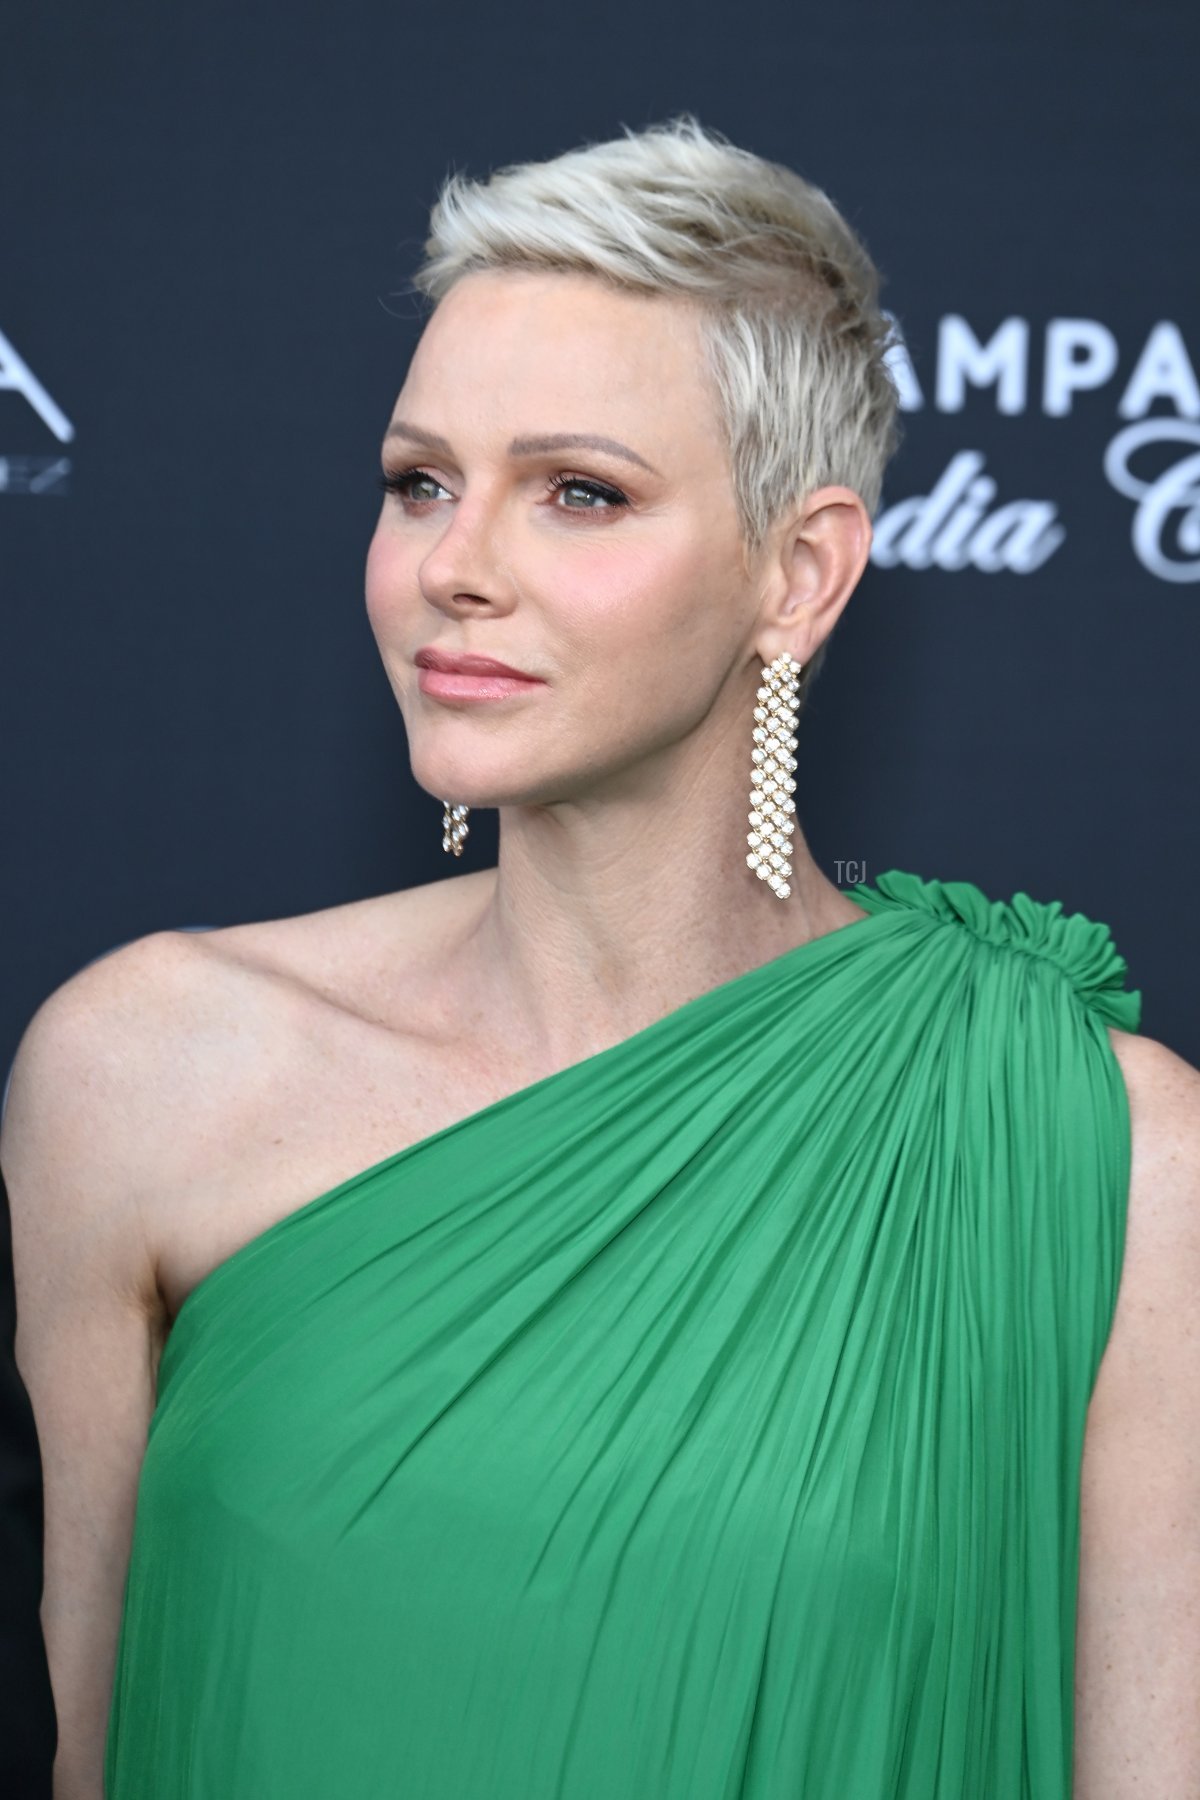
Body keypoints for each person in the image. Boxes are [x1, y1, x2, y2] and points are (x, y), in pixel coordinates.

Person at [1, 113, 1197, 1799]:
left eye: (579, 493)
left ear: (798, 575)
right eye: (420, 482)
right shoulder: (141, 1074)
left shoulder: (1101, 1160)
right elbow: (88, 1747)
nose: (454, 566)